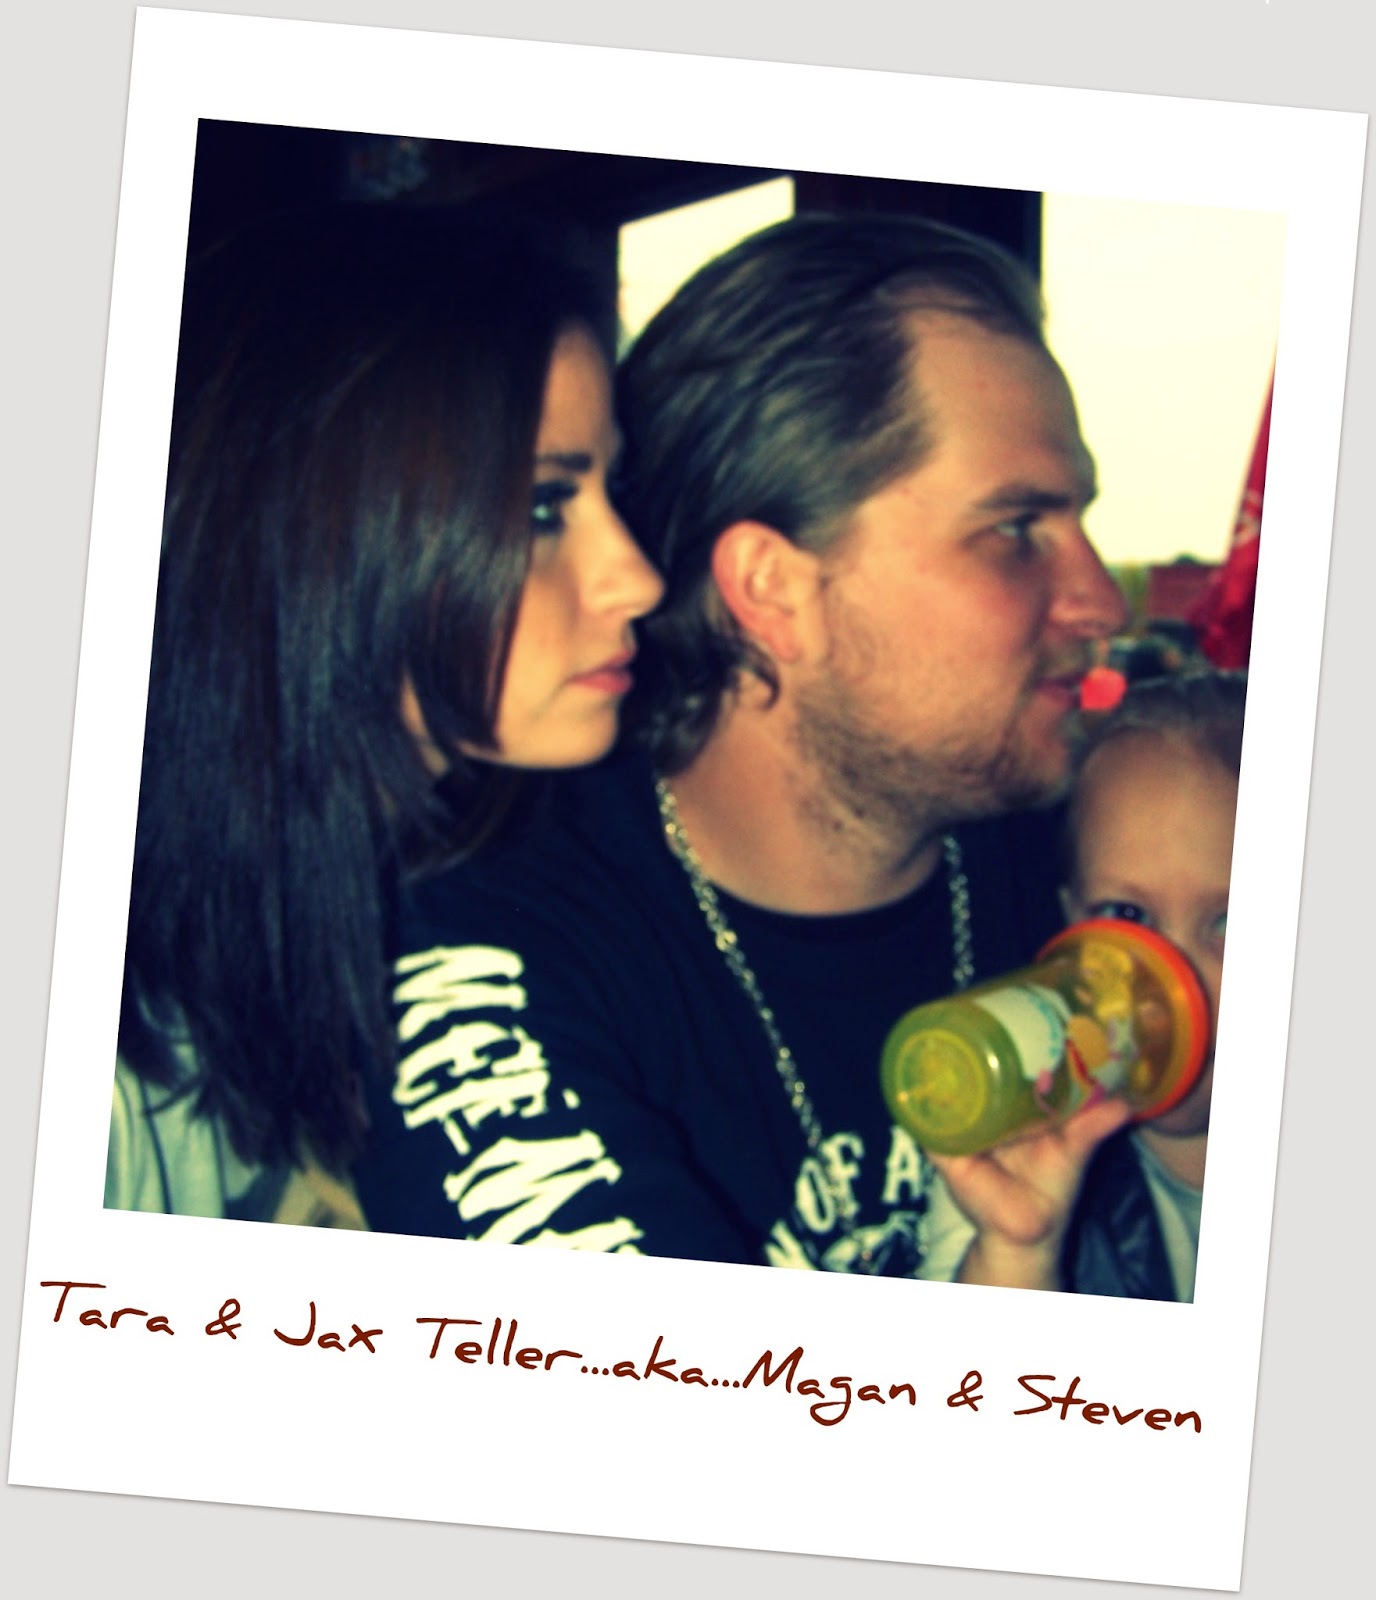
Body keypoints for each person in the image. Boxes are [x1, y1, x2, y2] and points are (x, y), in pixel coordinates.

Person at [355, 213, 1129, 1275]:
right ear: (771, 590)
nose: (1100, 601)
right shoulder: (495, 946)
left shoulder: (1109, 867)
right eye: (1014, 531)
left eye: (1079, 521)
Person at [108, 202, 662, 1224]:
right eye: (542, 507)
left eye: (610, 491)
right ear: (319, 536)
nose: (636, 579)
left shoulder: (446, 882)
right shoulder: (106, 1077)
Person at [1055, 671, 1245, 1299]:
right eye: (1127, 916)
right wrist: (1015, 1253)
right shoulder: (1026, 1167)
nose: (1170, 983)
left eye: (1229, 922)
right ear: (1070, 925)